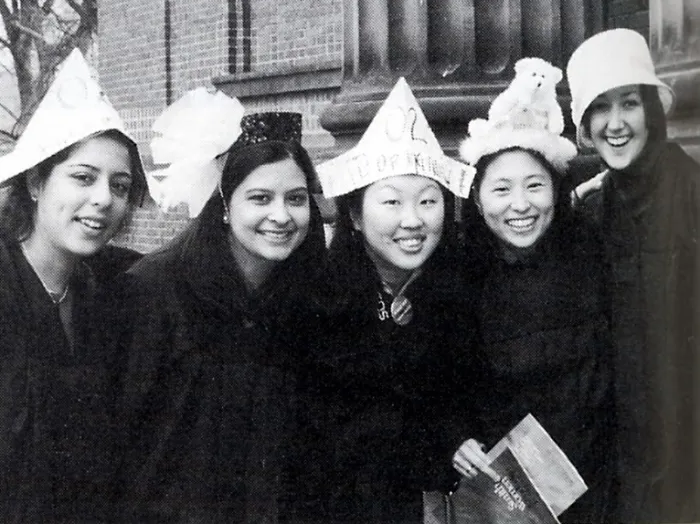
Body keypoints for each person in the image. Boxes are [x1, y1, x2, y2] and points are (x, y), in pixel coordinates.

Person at [106, 111, 327, 522]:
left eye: (295, 199)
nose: (281, 215)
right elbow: (122, 435)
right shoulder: (156, 290)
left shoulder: (308, 293)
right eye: (260, 198)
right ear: (224, 206)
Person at [451, 59, 615, 523]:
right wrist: (454, 439)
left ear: (556, 191)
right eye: (501, 189)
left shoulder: (591, 257)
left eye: (534, 186)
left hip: (599, 485)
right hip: (507, 497)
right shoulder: (457, 278)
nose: (520, 205)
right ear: (477, 198)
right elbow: (440, 385)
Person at [311, 77, 477, 524]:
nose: (412, 221)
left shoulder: (458, 295)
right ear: (355, 217)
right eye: (391, 202)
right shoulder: (320, 302)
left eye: (428, 201)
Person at [0, 49, 146, 522]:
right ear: (37, 182)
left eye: (120, 186)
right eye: (83, 177)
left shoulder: (111, 290)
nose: (103, 199)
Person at [567, 28, 700, 523]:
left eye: (629, 104)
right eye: (600, 108)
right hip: (621, 451)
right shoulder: (591, 209)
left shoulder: (691, 194)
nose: (615, 124)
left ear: (652, 112)